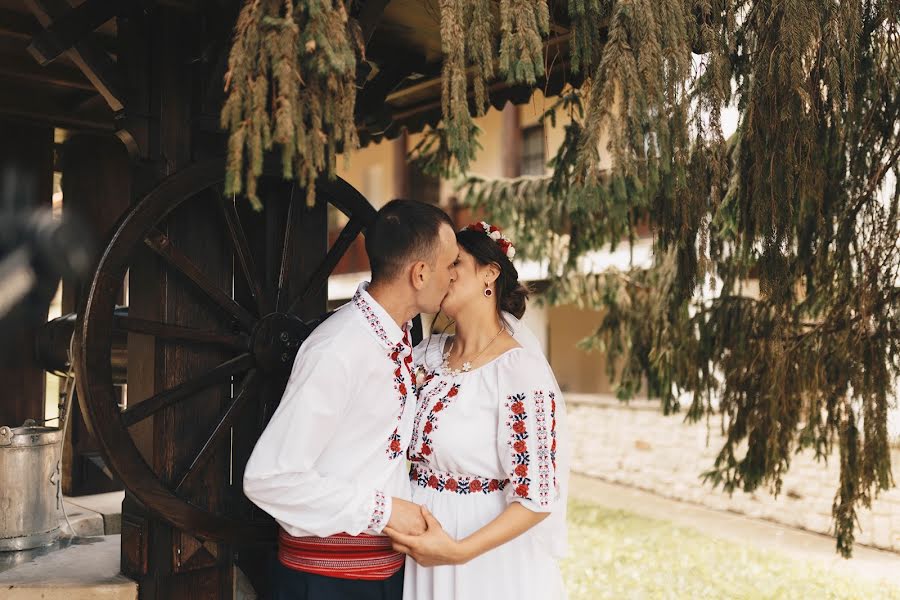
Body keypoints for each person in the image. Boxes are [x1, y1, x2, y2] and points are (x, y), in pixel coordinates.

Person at [243, 199, 459, 600]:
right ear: (420, 272)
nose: (454, 277)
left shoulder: (396, 341)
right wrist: (387, 511)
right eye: (450, 266)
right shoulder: (338, 349)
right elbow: (269, 480)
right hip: (327, 583)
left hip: (384, 574)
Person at [385, 221, 570, 599]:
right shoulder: (425, 356)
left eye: (455, 263)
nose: (443, 274)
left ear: (490, 273)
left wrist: (458, 551)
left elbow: (537, 497)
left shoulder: (518, 372)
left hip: (483, 557)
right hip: (420, 545)